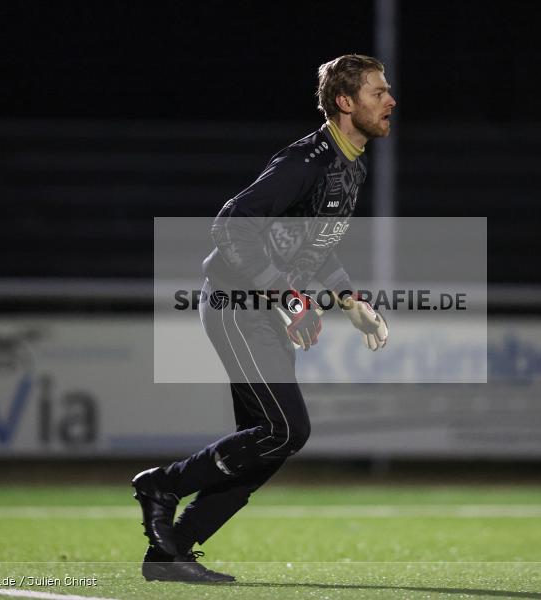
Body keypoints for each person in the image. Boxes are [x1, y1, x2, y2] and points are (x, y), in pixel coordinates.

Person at [132, 54, 395, 583]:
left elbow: (317, 244)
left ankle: (172, 551)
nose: (390, 100)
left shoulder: (352, 163)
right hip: (236, 303)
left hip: (264, 309)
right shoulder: (308, 161)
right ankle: (162, 485)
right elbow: (232, 224)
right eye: (377, 92)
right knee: (283, 428)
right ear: (345, 102)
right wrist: (286, 296)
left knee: (273, 442)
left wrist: (350, 301)